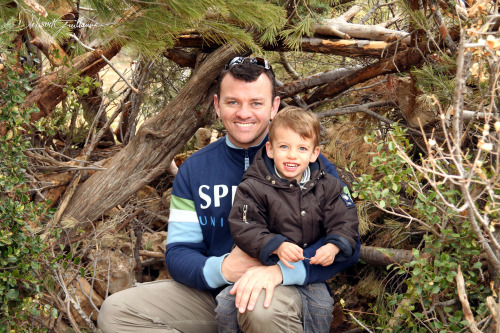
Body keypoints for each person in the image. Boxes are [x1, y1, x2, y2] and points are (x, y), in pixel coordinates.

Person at [97, 56, 360, 333]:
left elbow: (347, 244)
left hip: (284, 290)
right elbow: (178, 253)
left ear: (274, 107)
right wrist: (223, 269)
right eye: (233, 102)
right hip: (214, 293)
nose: (244, 113)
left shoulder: (309, 164)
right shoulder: (195, 168)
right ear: (217, 106)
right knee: (117, 313)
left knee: (259, 308)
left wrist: (279, 271)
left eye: (256, 103)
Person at [215, 106, 359, 333]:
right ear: (270, 150)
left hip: (309, 271)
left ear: (314, 153)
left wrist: (333, 246)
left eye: (302, 148)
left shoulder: (328, 185)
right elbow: (245, 226)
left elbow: (345, 220)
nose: (292, 155)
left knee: (321, 306)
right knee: (226, 305)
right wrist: (276, 244)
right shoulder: (253, 186)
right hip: (266, 265)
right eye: (284, 147)